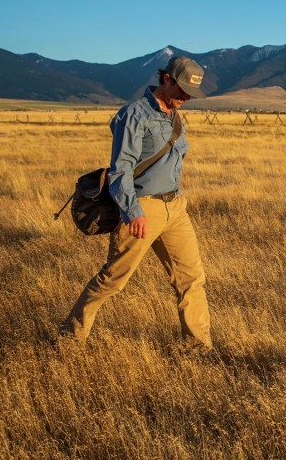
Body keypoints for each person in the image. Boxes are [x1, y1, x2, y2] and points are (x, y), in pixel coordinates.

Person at [59, 56, 212, 354]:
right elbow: (121, 169)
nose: (186, 97)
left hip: (175, 208)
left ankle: (198, 347)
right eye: (181, 90)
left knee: (192, 278)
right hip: (144, 208)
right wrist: (133, 212)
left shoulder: (174, 115)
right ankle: (69, 339)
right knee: (113, 279)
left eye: (190, 93)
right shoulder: (135, 115)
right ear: (166, 79)